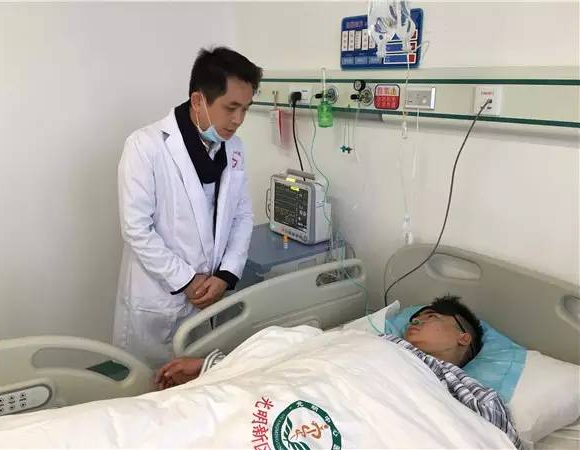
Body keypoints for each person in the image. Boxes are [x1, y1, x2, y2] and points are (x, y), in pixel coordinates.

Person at [154, 295, 522, 450]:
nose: (416, 320)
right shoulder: (375, 342)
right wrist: (212, 365)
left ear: (462, 336)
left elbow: (484, 438)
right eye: (415, 316)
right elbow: (290, 359)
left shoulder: (476, 394)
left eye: (431, 317)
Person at [113, 47, 263, 369]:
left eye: (245, 109)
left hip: (208, 297)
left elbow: (242, 216)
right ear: (198, 101)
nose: (238, 120)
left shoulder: (234, 148)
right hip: (159, 299)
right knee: (147, 387)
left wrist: (225, 275)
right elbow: (136, 229)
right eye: (231, 108)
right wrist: (187, 280)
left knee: (198, 384)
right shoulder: (145, 146)